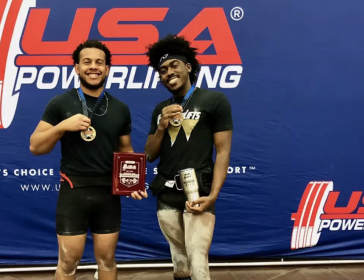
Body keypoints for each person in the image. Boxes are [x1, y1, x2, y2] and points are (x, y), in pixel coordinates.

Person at [29, 39, 148, 280]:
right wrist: (63, 126)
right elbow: (35, 147)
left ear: (107, 69)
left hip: (108, 195)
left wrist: (133, 181)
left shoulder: (120, 108)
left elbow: (126, 148)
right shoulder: (60, 103)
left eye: (99, 62)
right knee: (68, 262)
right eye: (87, 62)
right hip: (74, 192)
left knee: (107, 260)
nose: (93, 67)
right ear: (76, 68)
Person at [142, 34, 233, 280]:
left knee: (197, 258)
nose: (168, 72)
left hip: (198, 191)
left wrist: (212, 195)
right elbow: (149, 155)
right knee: (179, 260)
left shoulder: (214, 100)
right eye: (162, 70)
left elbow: (223, 152)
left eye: (174, 65)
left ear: (188, 67)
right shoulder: (160, 109)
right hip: (166, 192)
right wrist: (161, 125)